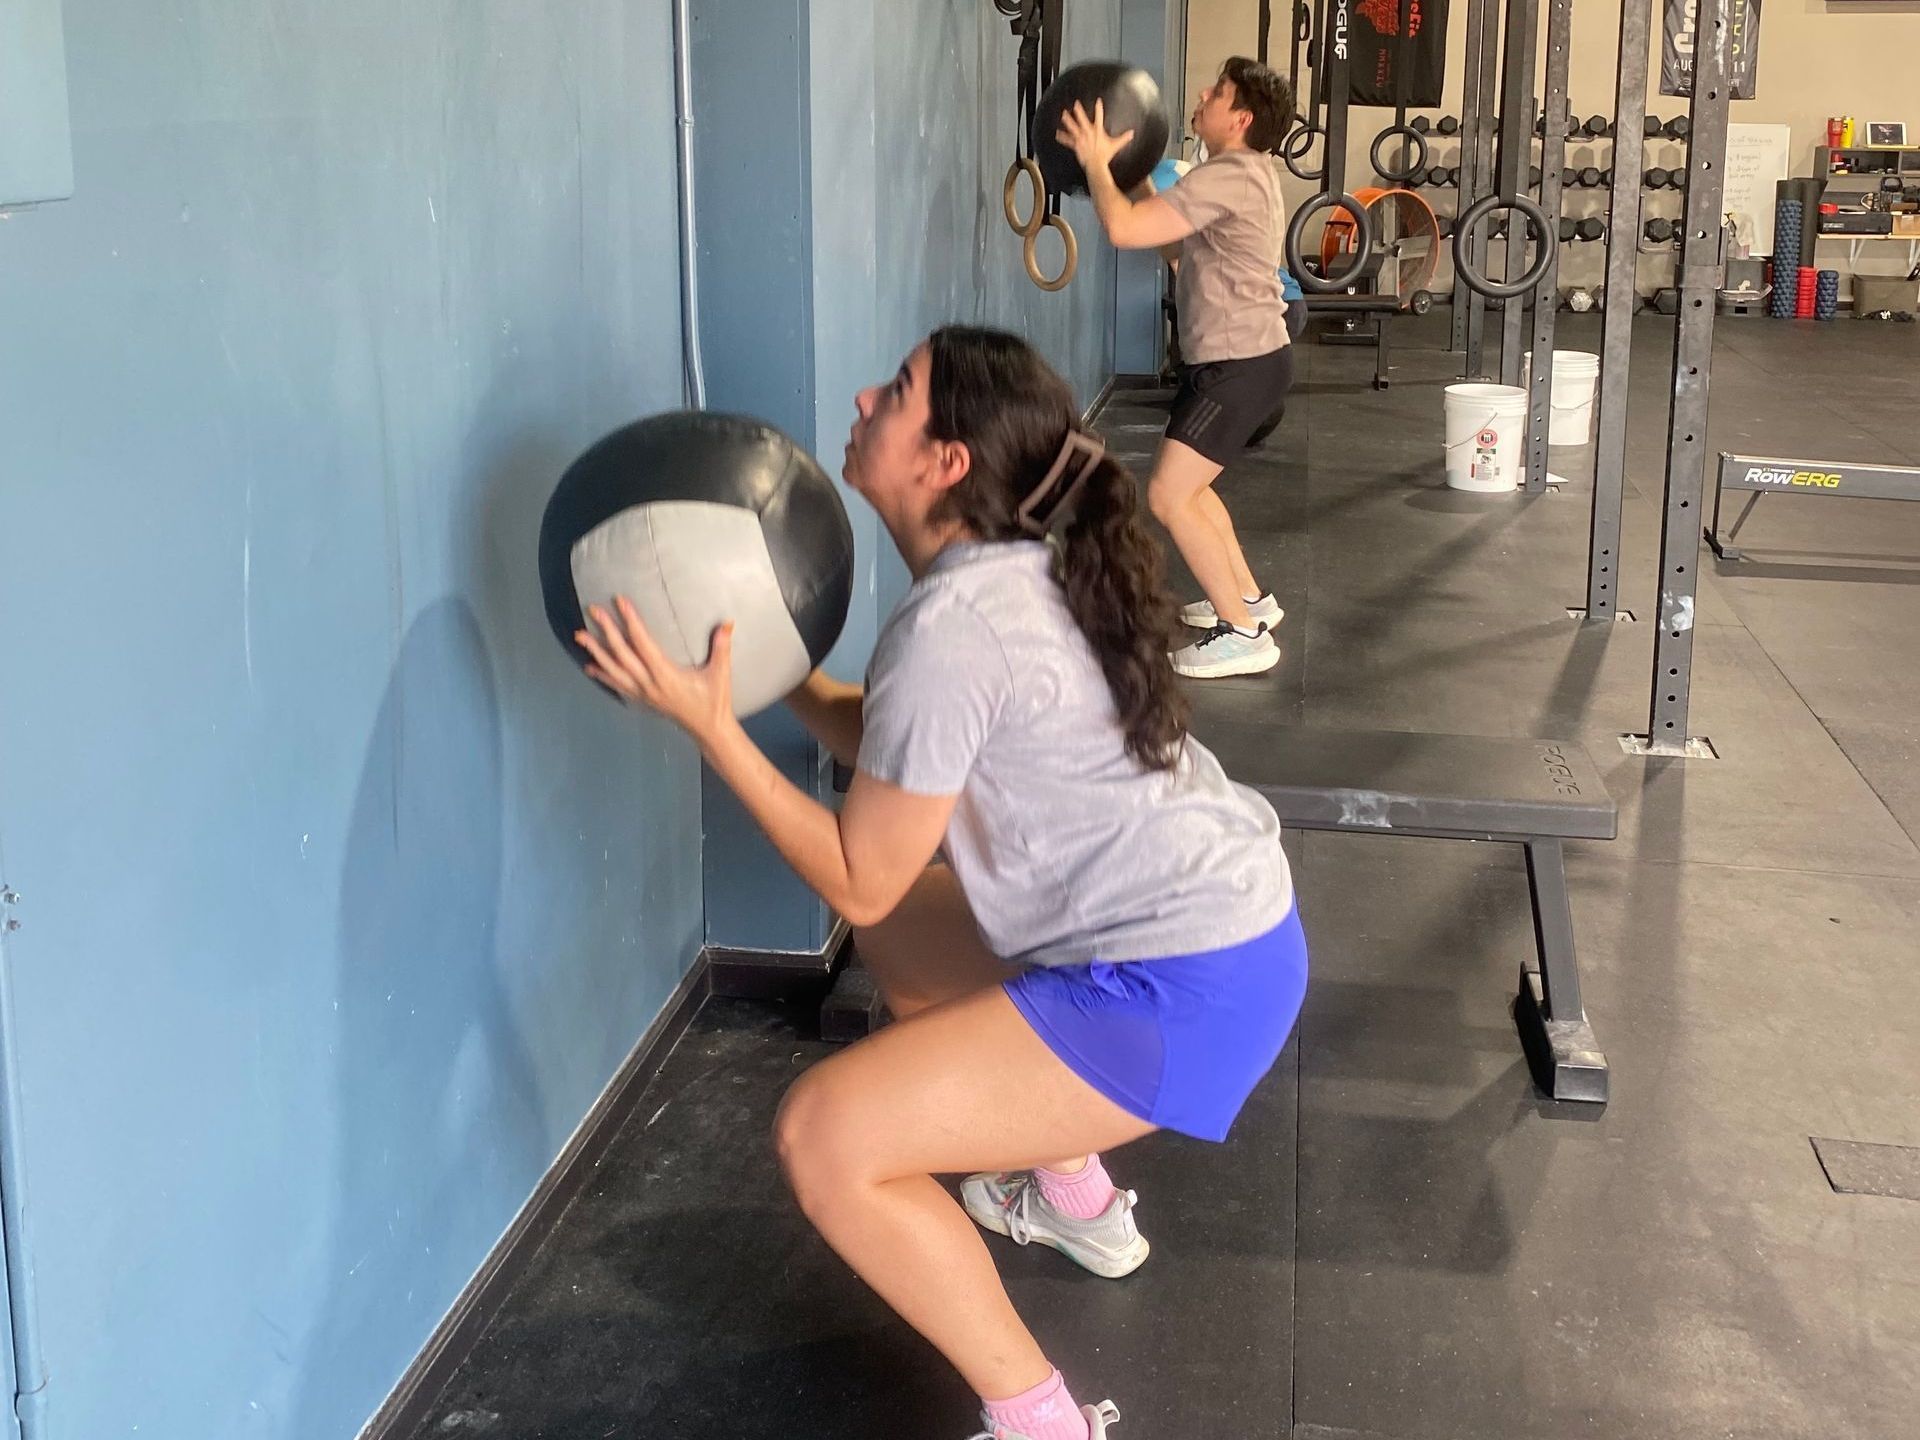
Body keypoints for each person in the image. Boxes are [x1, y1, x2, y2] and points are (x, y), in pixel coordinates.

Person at [574, 326, 1308, 1440]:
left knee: (825, 1137)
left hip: (1182, 992)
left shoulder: (957, 621)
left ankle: (1040, 1419)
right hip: (1231, 937)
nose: (866, 397)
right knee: (917, 940)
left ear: (946, 462)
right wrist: (774, 677)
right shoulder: (1009, 578)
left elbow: (858, 879)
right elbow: (902, 742)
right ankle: (1079, 1201)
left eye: (900, 392)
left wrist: (713, 729)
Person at [1057, 57, 1297, 679]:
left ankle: (1243, 634)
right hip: (1243, 359)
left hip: (1237, 365)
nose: (1202, 95)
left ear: (1240, 118)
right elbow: (1169, 245)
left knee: (1168, 496)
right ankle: (1248, 601)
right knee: (1194, 489)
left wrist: (1094, 157)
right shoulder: (1240, 173)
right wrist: (1136, 181)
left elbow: (1123, 231)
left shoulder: (1229, 177)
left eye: (1217, 92)